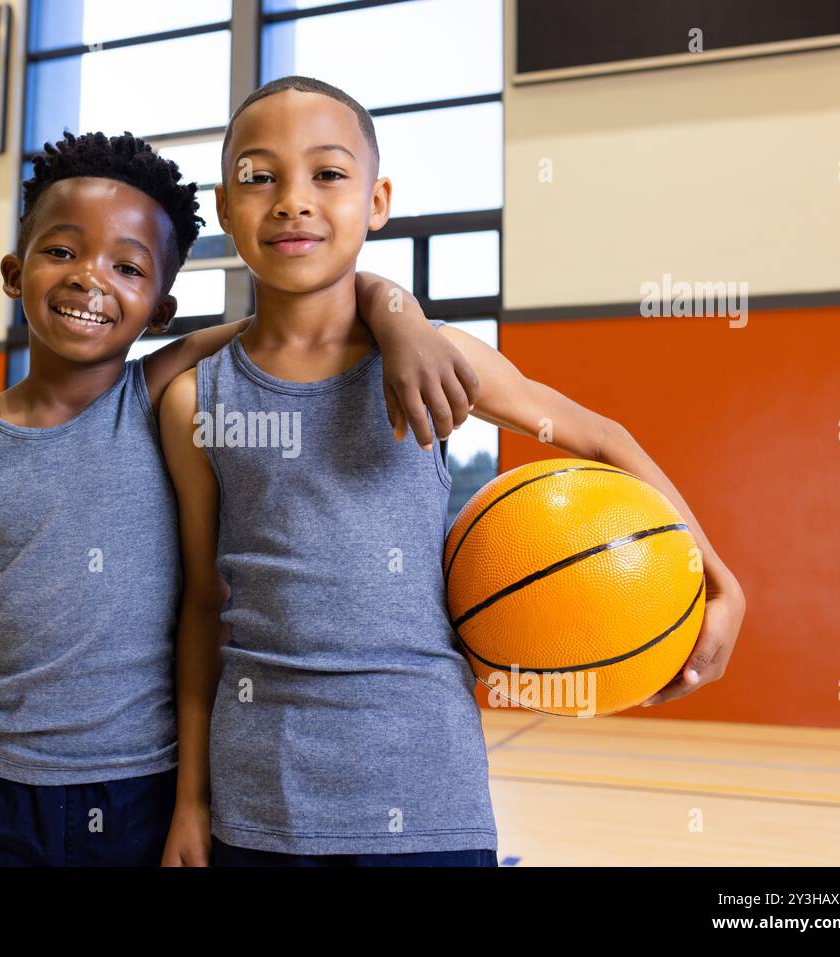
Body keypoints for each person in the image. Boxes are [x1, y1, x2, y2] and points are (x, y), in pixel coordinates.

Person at [159, 76, 746, 867]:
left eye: (328, 174)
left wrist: (716, 578)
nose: (292, 200)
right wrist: (190, 802)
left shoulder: (439, 358)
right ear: (226, 210)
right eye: (259, 176)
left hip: (429, 787)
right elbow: (202, 604)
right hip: (261, 795)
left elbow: (602, 439)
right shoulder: (199, 395)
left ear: (377, 200)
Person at [0, 129, 482, 866]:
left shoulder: (163, 395)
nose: (89, 279)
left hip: (142, 793)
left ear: (160, 311)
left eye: (127, 266)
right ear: (14, 272)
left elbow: (308, 306)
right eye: (62, 251)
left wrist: (399, 315)